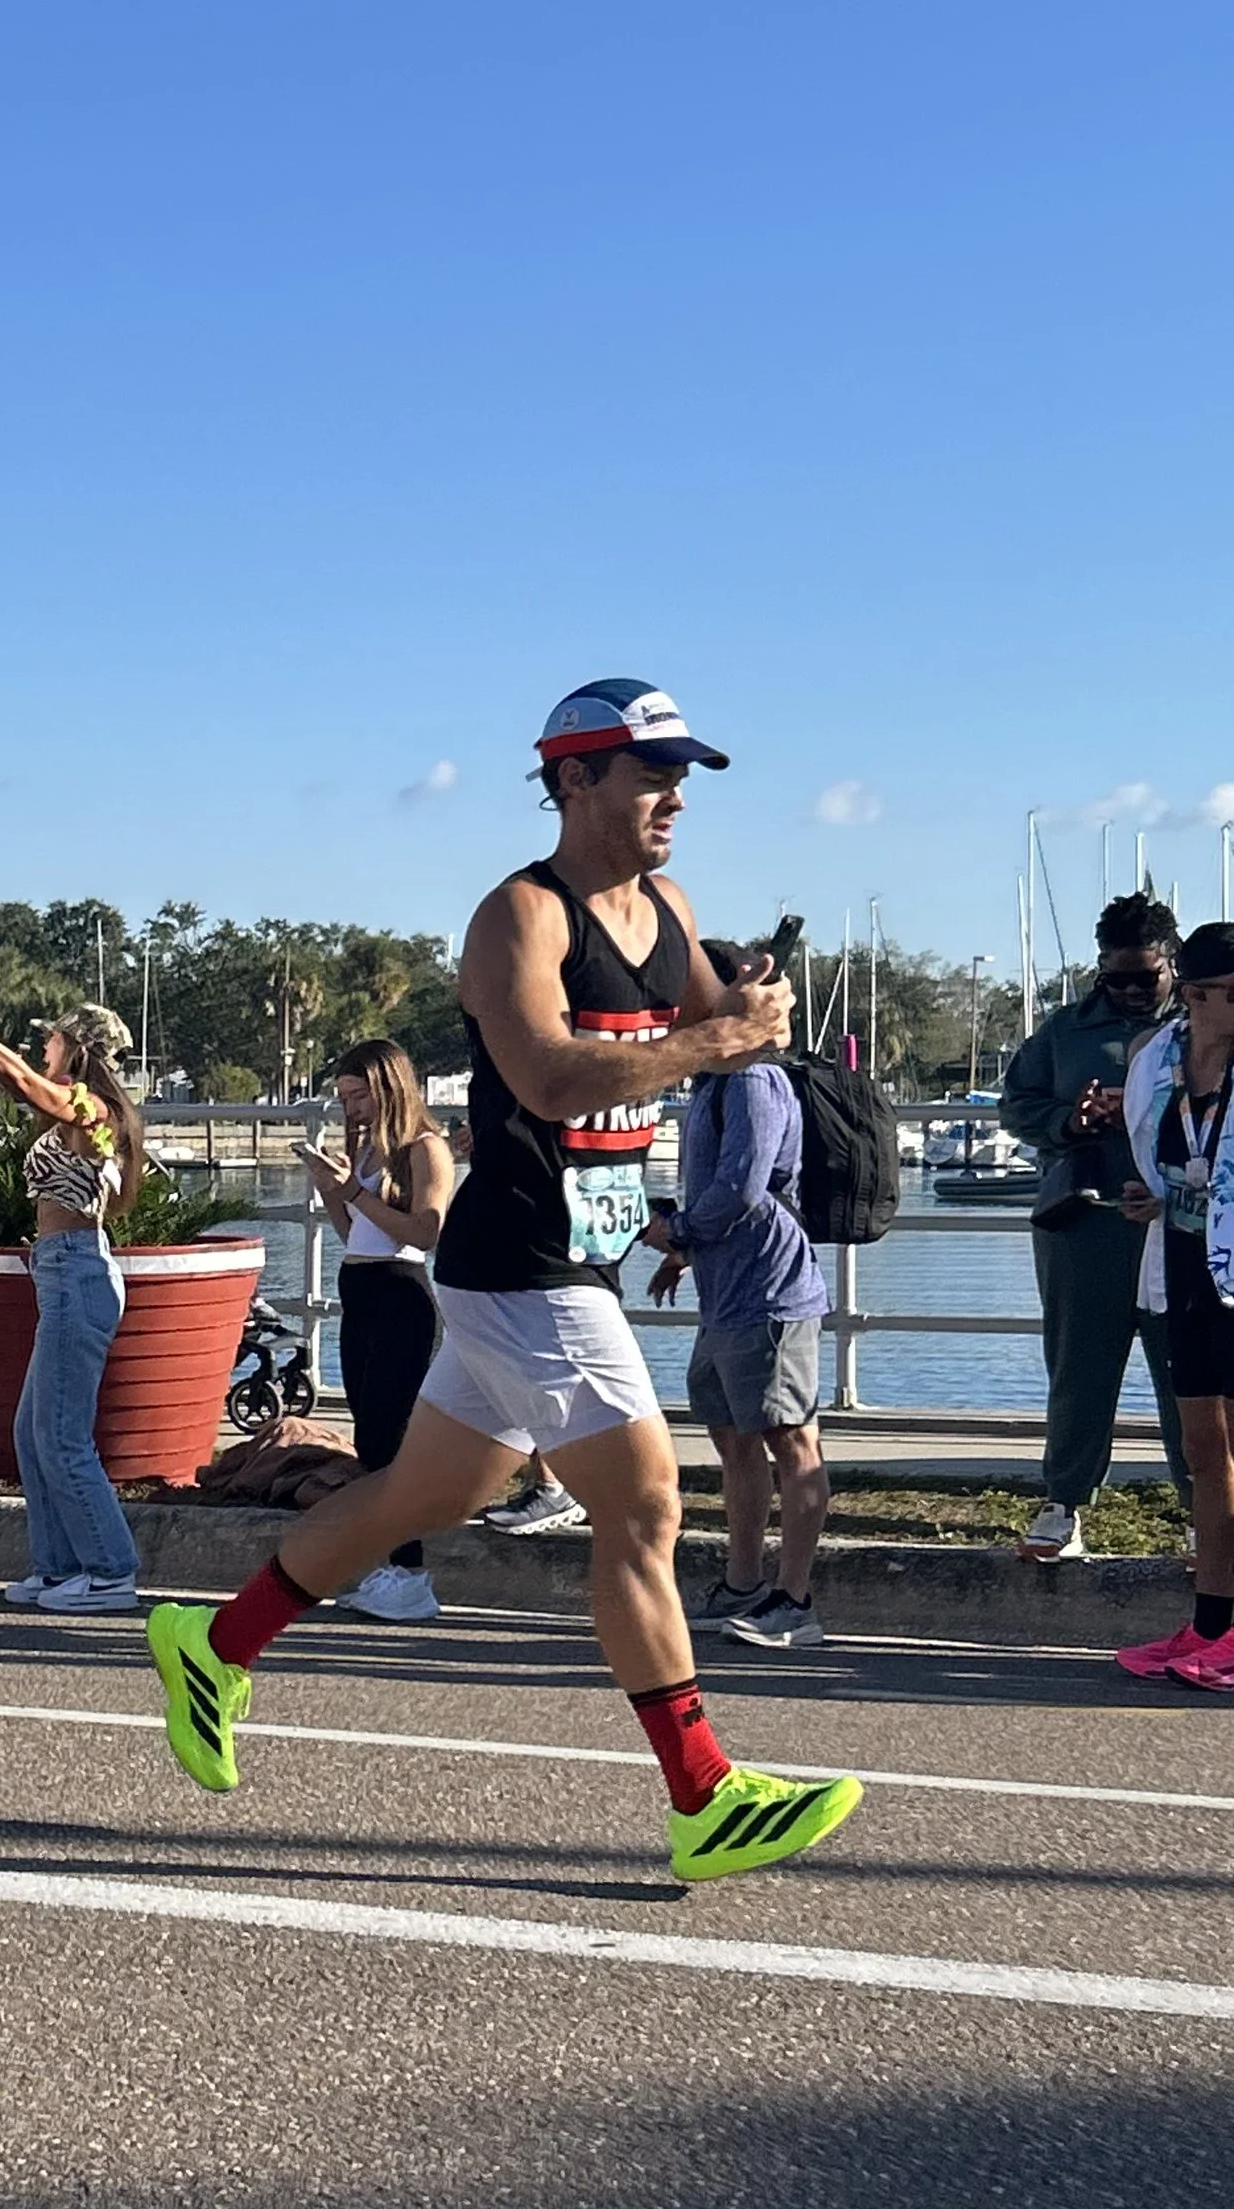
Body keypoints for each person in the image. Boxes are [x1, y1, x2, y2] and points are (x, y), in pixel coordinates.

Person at [143, 679, 864, 1883]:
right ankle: (704, 1795)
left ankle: (214, 1643)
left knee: (415, 1498)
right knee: (641, 1508)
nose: (673, 795)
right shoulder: (517, 920)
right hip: (517, 1259)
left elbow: (727, 1027)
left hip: (574, 1258)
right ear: (574, 779)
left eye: (682, 774)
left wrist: (755, 1013)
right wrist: (714, 1041)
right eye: (650, 773)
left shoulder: (668, 910)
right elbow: (545, 1079)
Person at [0, 986, 146, 1613]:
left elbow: (20, 1080)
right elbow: (8, 1077)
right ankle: (59, 1568)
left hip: (76, 1271)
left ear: (76, 1049)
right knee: (33, 1432)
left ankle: (108, 1571)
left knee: (60, 1434)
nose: (43, 1045)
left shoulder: (93, 1111)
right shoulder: (78, 1115)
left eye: (53, 1037)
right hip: (63, 1272)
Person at [643, 942, 832, 1646]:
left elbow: (744, 1190)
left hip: (771, 1293)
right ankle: (744, 1581)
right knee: (732, 1438)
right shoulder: (712, 1084)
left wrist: (678, 1229)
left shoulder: (753, 1081)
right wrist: (685, 1253)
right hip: (726, 1293)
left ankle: (795, 1600)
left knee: (792, 1440)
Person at [1000, 892, 1192, 1560]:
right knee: (1078, 1371)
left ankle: (1205, 1511)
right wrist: (1070, 1121)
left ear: (1173, 963)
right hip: (1084, 1224)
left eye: (1148, 976)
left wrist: (1145, 1105)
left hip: (1178, 1227)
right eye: (1119, 978)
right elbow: (1016, 1104)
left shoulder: (1204, 1027)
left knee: (1190, 1374)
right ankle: (1065, 1503)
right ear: (1099, 968)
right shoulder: (1064, 1030)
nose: (1135, 990)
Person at [299, 1037, 454, 1624]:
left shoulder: (424, 1148)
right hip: (360, 1285)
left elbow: (425, 1231)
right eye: (343, 1097)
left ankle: (413, 1573)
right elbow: (353, 1234)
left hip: (401, 1293)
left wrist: (357, 1193)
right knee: (369, 1434)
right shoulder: (365, 1150)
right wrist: (335, 1190)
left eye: (359, 1095)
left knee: (394, 1436)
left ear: (388, 1087)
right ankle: (390, 1564)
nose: (352, 1108)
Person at [1116, 923, 1234, 1687]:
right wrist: (1153, 1198)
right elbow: (1164, 1154)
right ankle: (1211, 1621)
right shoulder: (1156, 1059)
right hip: (1190, 1269)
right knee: (1205, 1455)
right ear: (1193, 995)